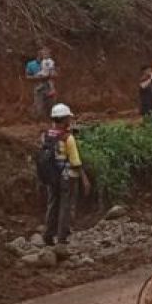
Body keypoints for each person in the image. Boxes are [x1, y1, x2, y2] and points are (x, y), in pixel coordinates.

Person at [39, 103, 90, 246]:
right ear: (64, 119)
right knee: (65, 207)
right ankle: (61, 238)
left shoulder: (46, 136)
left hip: (52, 177)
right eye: (68, 118)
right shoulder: (68, 138)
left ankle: (48, 235)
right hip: (68, 177)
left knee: (52, 204)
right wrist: (84, 179)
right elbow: (75, 162)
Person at [28, 47, 58, 120]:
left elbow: (54, 72)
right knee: (39, 107)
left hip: (47, 85)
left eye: (45, 54)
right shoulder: (31, 64)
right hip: (39, 87)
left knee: (51, 106)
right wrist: (38, 77)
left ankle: (51, 121)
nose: (43, 55)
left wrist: (52, 74)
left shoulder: (49, 61)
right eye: (42, 54)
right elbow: (28, 77)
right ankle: (38, 120)